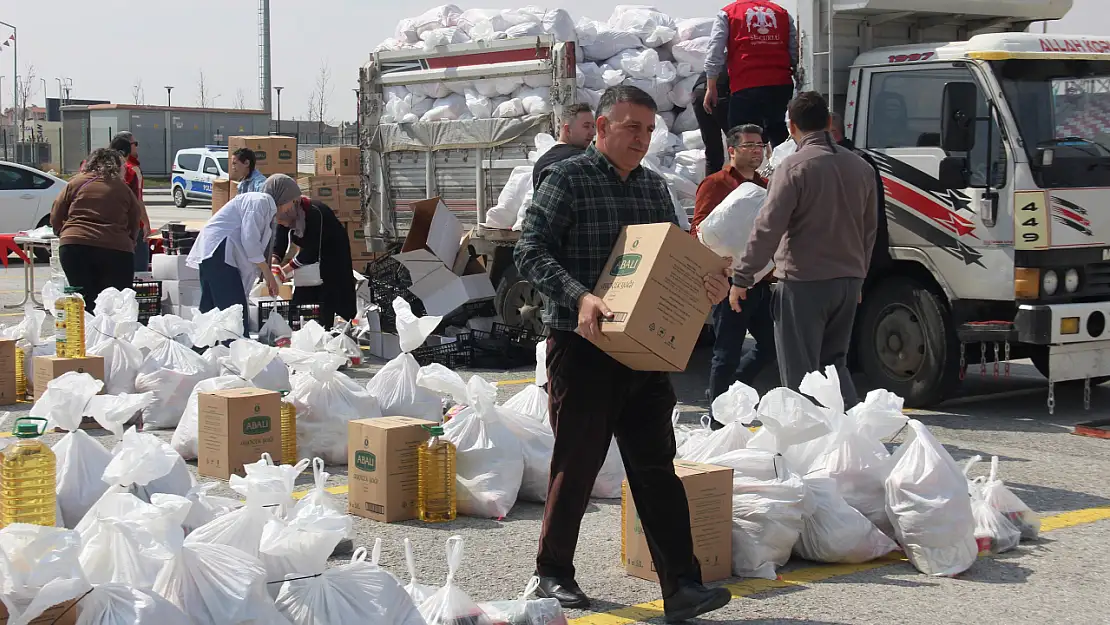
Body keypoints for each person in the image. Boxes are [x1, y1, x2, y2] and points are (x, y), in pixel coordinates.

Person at [514, 85, 733, 623]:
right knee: (578, 464)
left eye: (649, 130)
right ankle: (553, 573)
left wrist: (708, 285)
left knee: (656, 468)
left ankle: (682, 586)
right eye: (632, 127)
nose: (642, 139)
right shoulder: (568, 179)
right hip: (583, 345)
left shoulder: (656, 190)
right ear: (603, 127)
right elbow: (529, 250)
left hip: (643, 353)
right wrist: (581, 296)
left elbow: (679, 260)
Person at [730, 92, 877, 407]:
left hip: (804, 283)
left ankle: (806, 449)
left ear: (792, 127)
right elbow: (869, 228)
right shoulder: (862, 168)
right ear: (828, 123)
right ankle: (852, 440)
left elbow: (768, 226)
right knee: (834, 366)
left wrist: (742, 277)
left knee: (800, 375)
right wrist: (859, 276)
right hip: (848, 282)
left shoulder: (792, 167)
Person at [692, 125, 776, 426]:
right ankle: (718, 421)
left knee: (771, 347)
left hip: (760, 282)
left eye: (760, 145)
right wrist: (718, 261)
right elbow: (698, 230)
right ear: (732, 150)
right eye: (749, 145)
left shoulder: (767, 187)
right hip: (727, 284)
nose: (756, 150)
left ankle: (728, 395)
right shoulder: (715, 184)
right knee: (725, 353)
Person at [186, 174, 302, 333]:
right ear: (283, 196)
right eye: (292, 201)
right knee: (235, 316)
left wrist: (265, 275)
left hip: (212, 252)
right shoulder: (260, 202)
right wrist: (268, 275)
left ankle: (204, 351)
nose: (291, 207)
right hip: (218, 252)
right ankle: (238, 352)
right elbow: (250, 241)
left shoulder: (266, 209)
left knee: (210, 312)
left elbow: (252, 248)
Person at [50, 149, 143, 313]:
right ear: (118, 167)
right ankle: (109, 336)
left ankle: (85, 334)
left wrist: (64, 234)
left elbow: (56, 214)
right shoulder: (123, 189)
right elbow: (135, 221)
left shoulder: (75, 183)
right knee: (116, 302)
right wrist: (130, 241)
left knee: (84, 300)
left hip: (75, 248)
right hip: (115, 250)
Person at [703, 0, 797, 147]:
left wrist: (711, 85)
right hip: (780, 86)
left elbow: (715, 50)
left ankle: (744, 169)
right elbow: (794, 52)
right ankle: (783, 167)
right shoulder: (782, 13)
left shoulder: (728, 13)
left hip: (746, 85)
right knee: (778, 131)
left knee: (742, 139)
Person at [271, 196, 357, 330]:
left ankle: (334, 331)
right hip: (309, 263)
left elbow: (312, 250)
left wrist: (286, 270)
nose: (280, 222)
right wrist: (274, 262)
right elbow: (280, 241)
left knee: (331, 297)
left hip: (332, 257)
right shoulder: (285, 214)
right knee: (301, 303)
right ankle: (303, 331)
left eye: (281, 219)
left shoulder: (315, 212)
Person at [830, 112, 891, 278]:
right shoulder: (858, 160)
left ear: (833, 133)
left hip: (849, 257)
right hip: (858, 255)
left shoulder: (848, 161)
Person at [108, 132, 151, 272]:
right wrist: (146, 224)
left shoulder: (105, 167)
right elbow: (137, 200)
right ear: (126, 148)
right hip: (132, 225)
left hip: (110, 226)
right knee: (139, 267)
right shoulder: (132, 169)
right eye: (135, 144)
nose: (137, 148)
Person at [532, 103, 596, 189]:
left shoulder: (540, 163)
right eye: (586, 126)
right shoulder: (584, 159)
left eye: (593, 126)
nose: (593, 132)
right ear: (568, 130)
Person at [691, 72, 731, 175]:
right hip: (719, 91)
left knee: (713, 152)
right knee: (739, 146)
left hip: (699, 90)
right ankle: (737, 187)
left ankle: (711, 189)